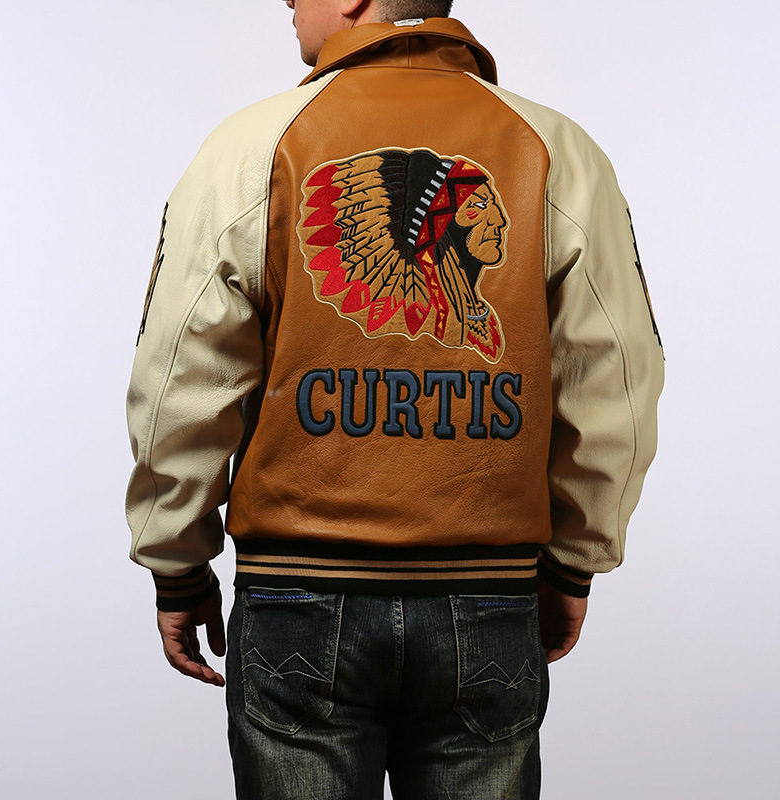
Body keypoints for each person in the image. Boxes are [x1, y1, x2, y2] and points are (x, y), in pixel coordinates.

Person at [125, 1, 664, 797]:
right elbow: (617, 374)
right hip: (489, 596)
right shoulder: (558, 150)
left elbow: (180, 374)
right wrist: (576, 561)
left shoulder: (250, 147)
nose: (287, 0)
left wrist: (177, 560)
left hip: (297, 594)